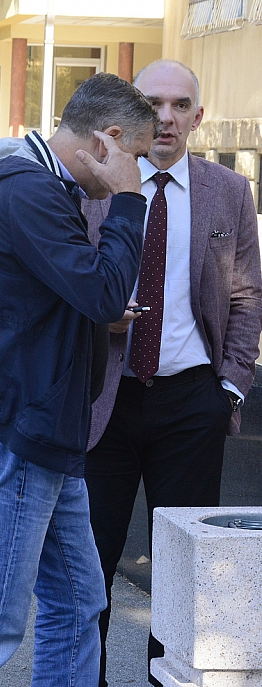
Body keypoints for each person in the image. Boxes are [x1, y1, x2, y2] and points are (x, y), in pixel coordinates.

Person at [0, 73, 159, 685]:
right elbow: (104, 288)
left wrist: (93, 324)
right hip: (19, 428)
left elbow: (55, 297)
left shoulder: (39, 185)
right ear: (107, 142)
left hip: (39, 424)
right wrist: (130, 201)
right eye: (134, 154)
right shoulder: (29, 190)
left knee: (80, 602)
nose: (137, 169)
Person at [83, 60, 262, 687]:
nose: (165, 117)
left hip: (192, 403)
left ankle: (173, 677)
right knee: (90, 558)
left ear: (197, 117)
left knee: (187, 563)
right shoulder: (96, 184)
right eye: (152, 103)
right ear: (135, 110)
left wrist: (230, 387)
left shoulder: (229, 192)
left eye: (179, 105)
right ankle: (87, 677)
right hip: (105, 396)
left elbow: (246, 298)